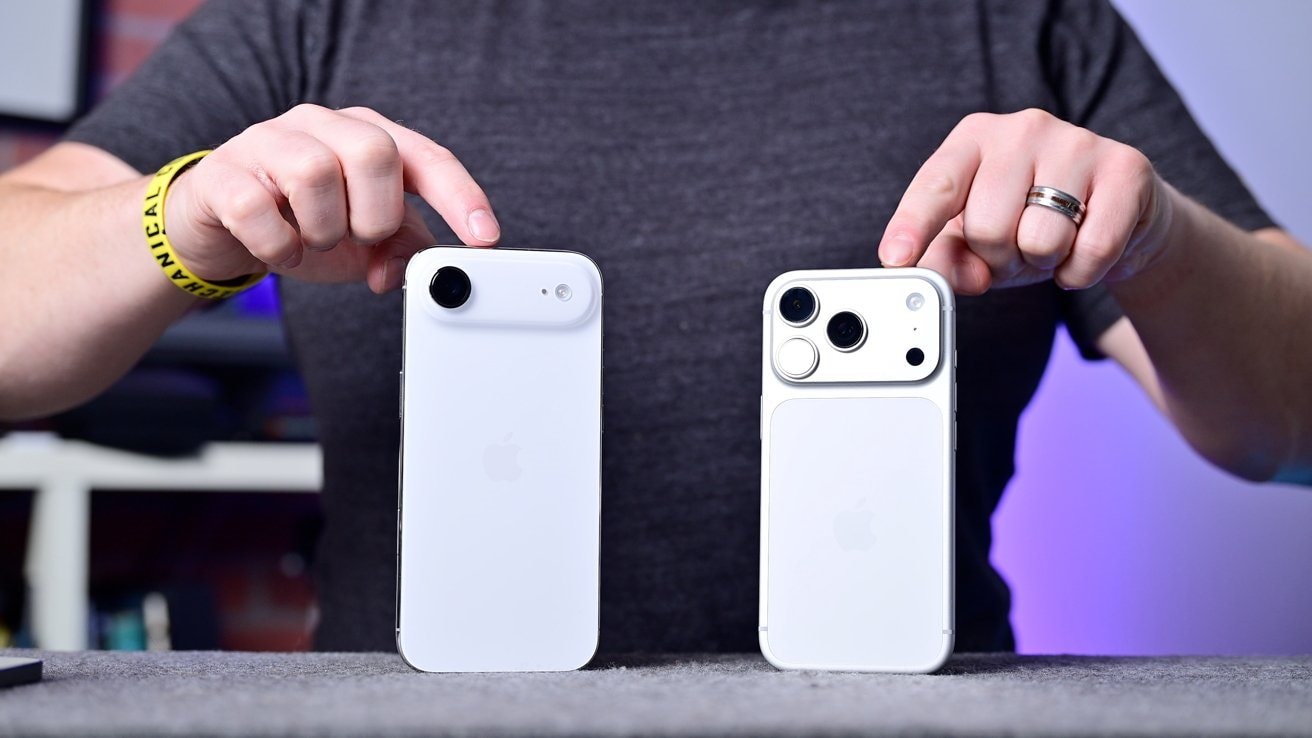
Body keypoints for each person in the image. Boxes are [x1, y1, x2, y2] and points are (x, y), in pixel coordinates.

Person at [1, 0, 1308, 654]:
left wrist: (1159, 238)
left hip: (912, 711)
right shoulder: (322, 13)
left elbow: (1291, 429)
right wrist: (181, 217)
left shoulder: (1017, 18)